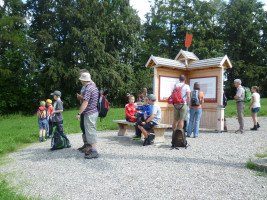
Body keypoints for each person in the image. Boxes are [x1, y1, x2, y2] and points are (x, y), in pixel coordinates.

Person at [76, 73, 99, 159]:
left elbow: (85, 102)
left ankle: (94, 151)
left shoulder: (88, 89)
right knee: (91, 130)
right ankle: (92, 149)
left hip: (90, 113)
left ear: (83, 80)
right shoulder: (94, 88)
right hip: (94, 112)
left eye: (81, 79)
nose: (80, 81)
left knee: (90, 131)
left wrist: (79, 113)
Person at [76, 69, 91, 153]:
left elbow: (87, 99)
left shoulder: (90, 84)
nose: (80, 77)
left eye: (81, 75)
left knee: (87, 127)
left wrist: (81, 98)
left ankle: (89, 146)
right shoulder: (83, 86)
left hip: (88, 110)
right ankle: (85, 144)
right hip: (83, 109)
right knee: (82, 126)